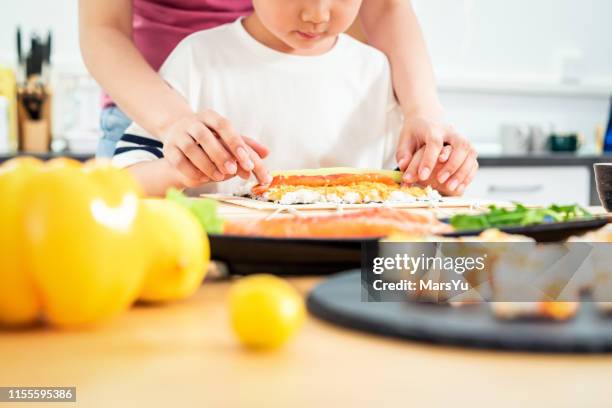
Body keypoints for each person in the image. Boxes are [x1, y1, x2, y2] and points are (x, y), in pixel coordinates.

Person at [79, 0, 478, 195]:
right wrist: (176, 138)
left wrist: (433, 151)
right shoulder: (196, 61)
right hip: (158, 100)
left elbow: (410, 210)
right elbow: (118, 190)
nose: (318, 14)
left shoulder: (372, 74)